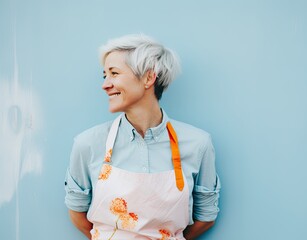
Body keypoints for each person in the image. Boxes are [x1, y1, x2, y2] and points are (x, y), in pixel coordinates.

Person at [64, 34, 221, 240]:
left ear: (148, 78)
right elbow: (77, 213)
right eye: (105, 76)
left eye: (114, 73)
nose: (106, 84)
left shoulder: (198, 144)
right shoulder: (87, 144)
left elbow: (206, 216)